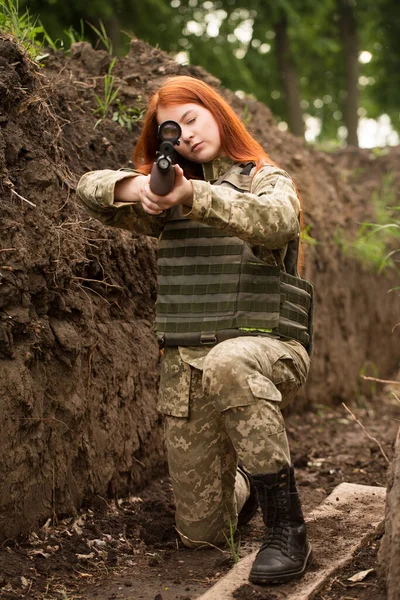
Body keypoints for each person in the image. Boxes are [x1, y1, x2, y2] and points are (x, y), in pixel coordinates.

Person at [77, 75, 314, 585]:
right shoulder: (167, 207)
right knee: (201, 535)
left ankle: (286, 528)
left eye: (192, 117)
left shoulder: (263, 178)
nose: (186, 134)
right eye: (174, 129)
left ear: (217, 113)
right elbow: (87, 191)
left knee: (231, 360)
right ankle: (247, 484)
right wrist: (142, 187)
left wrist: (195, 195)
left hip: (267, 350)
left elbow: (277, 221)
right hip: (187, 377)